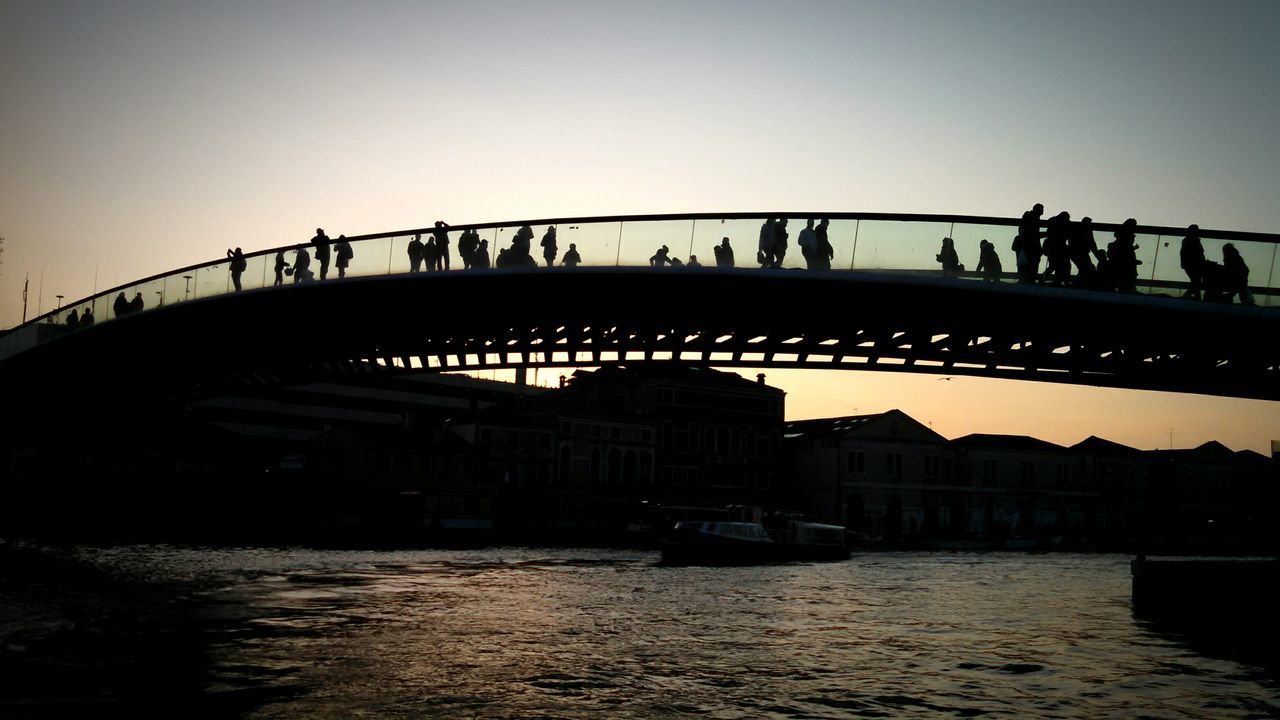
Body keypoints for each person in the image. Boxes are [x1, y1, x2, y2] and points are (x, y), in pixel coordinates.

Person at [1015, 203, 1046, 283]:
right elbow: (1032, 234)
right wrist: (1046, 234)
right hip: (1030, 249)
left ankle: (1026, 282)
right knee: (1030, 267)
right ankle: (1028, 282)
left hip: (1029, 248)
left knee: (1026, 267)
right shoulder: (1031, 218)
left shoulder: (1029, 217)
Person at [1068, 216, 1102, 289]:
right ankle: (1076, 285)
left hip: (1078, 254)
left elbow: (1092, 244)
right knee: (1088, 269)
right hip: (1079, 254)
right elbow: (1092, 244)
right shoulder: (1086, 231)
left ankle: (1076, 285)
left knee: (1084, 270)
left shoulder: (1078, 230)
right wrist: (1098, 257)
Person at [1042, 211, 1072, 286]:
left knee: (1054, 266)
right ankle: (1060, 281)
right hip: (1058, 249)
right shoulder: (1060, 224)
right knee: (1059, 265)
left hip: (1053, 249)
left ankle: (1044, 280)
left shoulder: (1052, 221)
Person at [1180, 224, 1205, 300]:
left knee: (1196, 283)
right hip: (1194, 265)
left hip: (1193, 265)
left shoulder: (1188, 240)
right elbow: (1199, 251)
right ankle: (1193, 298)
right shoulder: (1191, 241)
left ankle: (1196, 299)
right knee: (1196, 283)